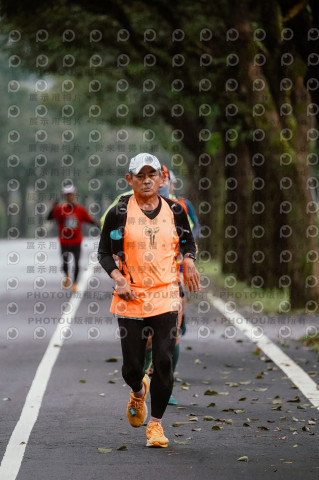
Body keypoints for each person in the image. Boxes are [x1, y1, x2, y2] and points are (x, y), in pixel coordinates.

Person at [98, 153, 200, 448]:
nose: (146, 180)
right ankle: (138, 390)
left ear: (160, 179)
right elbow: (104, 252)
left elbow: (187, 242)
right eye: (139, 175)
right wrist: (118, 278)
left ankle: (155, 425)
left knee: (164, 360)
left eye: (152, 175)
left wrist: (189, 260)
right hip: (130, 296)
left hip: (166, 295)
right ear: (129, 180)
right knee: (132, 367)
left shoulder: (176, 210)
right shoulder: (119, 212)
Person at [47, 185, 99, 292]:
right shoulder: (60, 209)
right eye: (67, 195)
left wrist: (100, 224)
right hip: (64, 241)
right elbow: (49, 218)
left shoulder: (80, 210)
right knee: (65, 262)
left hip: (76, 241)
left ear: (74, 195)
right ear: (64, 196)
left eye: (71, 194)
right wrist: (52, 208)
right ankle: (66, 275)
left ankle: (74, 283)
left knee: (76, 262)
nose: (69, 197)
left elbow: (89, 220)